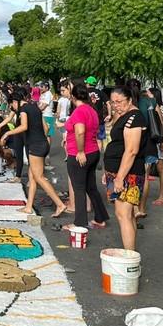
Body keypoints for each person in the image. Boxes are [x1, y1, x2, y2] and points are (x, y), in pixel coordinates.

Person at [0, 90, 66, 216]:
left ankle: (60, 204)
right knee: (33, 176)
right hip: (42, 144)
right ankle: (29, 206)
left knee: (39, 177)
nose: (13, 108)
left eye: (12, 105)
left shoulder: (24, 109)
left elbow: (24, 126)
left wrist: (8, 133)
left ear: (16, 102)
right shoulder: (35, 107)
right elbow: (46, 128)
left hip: (35, 146)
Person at [103, 84, 149, 250]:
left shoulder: (135, 118)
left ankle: (129, 256)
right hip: (117, 171)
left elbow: (131, 150)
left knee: (123, 215)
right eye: (113, 102)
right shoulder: (125, 116)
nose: (116, 105)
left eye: (119, 102)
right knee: (126, 215)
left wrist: (120, 177)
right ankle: (131, 255)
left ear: (129, 100)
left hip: (129, 174)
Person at [66, 83, 111, 231]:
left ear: (73, 97)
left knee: (79, 188)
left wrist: (80, 151)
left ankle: (79, 222)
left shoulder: (79, 111)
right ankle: (101, 217)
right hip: (93, 152)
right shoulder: (91, 110)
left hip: (80, 154)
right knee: (91, 187)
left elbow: (80, 131)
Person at [148, 87, 163, 204]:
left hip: (158, 141)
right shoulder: (160, 108)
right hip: (159, 141)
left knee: (160, 168)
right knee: (159, 168)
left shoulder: (158, 108)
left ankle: (162, 196)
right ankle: (162, 195)